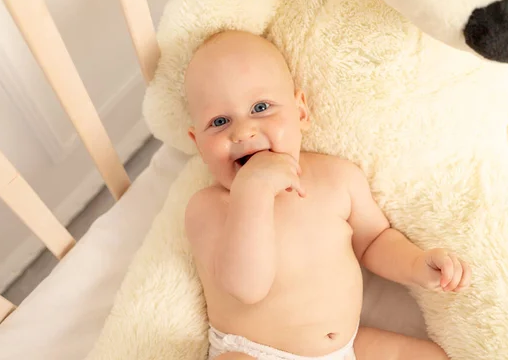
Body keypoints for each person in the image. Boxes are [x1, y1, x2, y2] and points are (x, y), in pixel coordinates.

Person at [183, 30, 471, 360]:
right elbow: (247, 288)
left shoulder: (336, 177)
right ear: (198, 144)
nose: (243, 131)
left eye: (261, 107)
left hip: (346, 349)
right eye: (219, 121)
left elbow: (375, 240)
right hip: (255, 352)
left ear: (301, 112)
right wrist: (253, 191)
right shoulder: (208, 208)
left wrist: (417, 264)